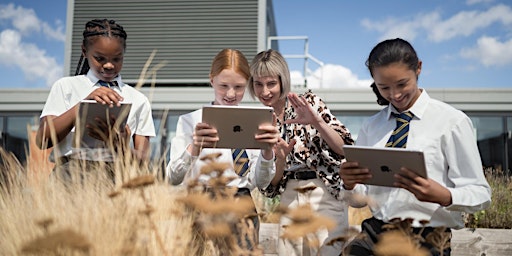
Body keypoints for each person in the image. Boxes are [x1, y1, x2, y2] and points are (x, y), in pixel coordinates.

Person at [339, 38, 491, 255]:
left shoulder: (452, 122)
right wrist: (349, 184)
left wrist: (445, 196)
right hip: (374, 233)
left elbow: (481, 194)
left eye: (402, 84)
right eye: (384, 87)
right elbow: (359, 200)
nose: (395, 95)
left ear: (418, 68)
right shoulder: (371, 127)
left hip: (428, 238)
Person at [166, 48, 280, 251]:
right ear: (211, 81)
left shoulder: (256, 121)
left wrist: (267, 152)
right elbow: (172, 177)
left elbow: (260, 183)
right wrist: (194, 148)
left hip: (242, 205)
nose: (230, 94)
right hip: (200, 203)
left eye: (239, 87)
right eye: (223, 86)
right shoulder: (190, 121)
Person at [248, 49, 354, 256]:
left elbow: (345, 148)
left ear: (283, 81)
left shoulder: (308, 102)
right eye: (258, 84)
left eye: (271, 84)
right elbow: (270, 187)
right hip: (289, 196)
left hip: (323, 191)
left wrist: (317, 121)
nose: (265, 91)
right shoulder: (259, 121)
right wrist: (280, 160)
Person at [36, 19, 156, 182]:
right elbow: (42, 140)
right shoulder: (67, 87)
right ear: (84, 51)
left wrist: (120, 146)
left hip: (117, 177)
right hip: (68, 176)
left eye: (116, 59)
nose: (108, 65)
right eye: (100, 58)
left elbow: (143, 161)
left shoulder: (138, 99)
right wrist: (81, 108)